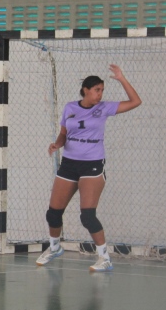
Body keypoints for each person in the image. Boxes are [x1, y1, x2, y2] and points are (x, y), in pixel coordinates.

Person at [35, 64, 142, 272]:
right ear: (86, 89)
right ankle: (55, 247)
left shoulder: (103, 108)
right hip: (69, 164)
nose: (100, 94)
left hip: (92, 166)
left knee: (87, 216)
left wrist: (121, 79)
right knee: (53, 214)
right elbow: (64, 134)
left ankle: (104, 258)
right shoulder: (70, 108)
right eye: (97, 90)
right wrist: (57, 144)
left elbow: (136, 102)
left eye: (102, 90)